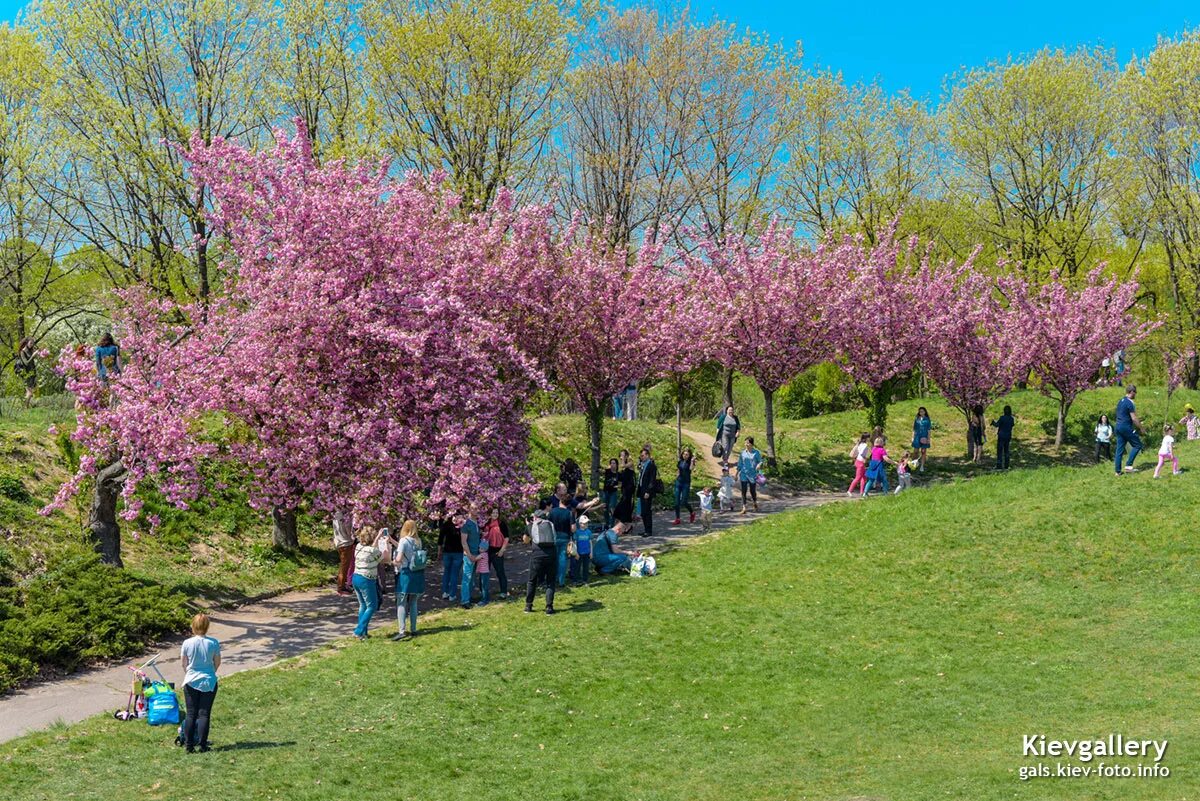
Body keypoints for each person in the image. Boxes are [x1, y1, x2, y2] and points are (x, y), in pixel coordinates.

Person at [180, 612, 221, 753]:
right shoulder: (213, 642)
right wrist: (210, 672)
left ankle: (189, 745)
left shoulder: (187, 643)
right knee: (204, 714)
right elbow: (217, 662)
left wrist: (190, 673)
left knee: (191, 714)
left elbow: (184, 663)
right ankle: (203, 745)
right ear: (207, 627)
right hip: (209, 681)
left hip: (191, 680)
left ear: (193, 626)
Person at [391, 520, 425, 640]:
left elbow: (399, 557)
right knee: (414, 602)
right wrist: (391, 540)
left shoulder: (403, 540)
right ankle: (414, 629)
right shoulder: (418, 541)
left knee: (401, 602)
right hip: (417, 573)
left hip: (405, 574)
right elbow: (405, 549)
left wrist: (392, 562)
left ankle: (401, 630)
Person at [352, 528, 384, 639]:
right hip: (367, 579)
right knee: (372, 606)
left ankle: (364, 634)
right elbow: (382, 558)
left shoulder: (358, 547)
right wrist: (386, 545)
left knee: (363, 605)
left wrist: (377, 538)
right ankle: (359, 630)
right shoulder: (373, 551)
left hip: (356, 577)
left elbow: (371, 550)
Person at [1114, 385, 1146, 475]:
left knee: (1119, 450)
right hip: (1126, 427)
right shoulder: (1129, 402)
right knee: (1137, 445)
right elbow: (1133, 418)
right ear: (1131, 392)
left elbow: (1122, 415)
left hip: (1118, 427)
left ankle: (1118, 471)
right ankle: (1128, 466)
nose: (1136, 394)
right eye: (1135, 392)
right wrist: (1141, 428)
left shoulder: (1120, 401)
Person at [550, 484, 575, 587]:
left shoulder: (552, 512)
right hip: (565, 537)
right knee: (563, 559)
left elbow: (549, 524)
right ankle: (561, 581)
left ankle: (553, 578)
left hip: (554, 537)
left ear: (560, 501)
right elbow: (573, 528)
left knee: (554, 559)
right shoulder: (569, 513)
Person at [482, 510, 509, 599]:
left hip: (497, 551)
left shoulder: (501, 524)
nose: (495, 515)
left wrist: (502, 550)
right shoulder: (486, 524)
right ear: (489, 514)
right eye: (493, 513)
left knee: (500, 572)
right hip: (486, 551)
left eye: (496, 513)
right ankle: (483, 593)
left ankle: (503, 592)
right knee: (484, 572)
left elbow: (506, 538)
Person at [459, 508, 483, 608]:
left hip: (476, 554)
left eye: (477, 508)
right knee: (466, 578)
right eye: (473, 508)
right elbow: (463, 541)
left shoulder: (476, 523)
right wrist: (469, 555)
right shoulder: (466, 524)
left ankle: (469, 597)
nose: (476, 510)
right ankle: (464, 601)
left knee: (472, 578)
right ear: (469, 510)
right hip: (469, 555)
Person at [437, 511, 463, 601]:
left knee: (447, 572)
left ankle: (445, 592)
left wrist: (439, 551)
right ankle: (452, 594)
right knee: (454, 574)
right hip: (458, 552)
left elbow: (440, 539)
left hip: (447, 552)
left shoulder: (446, 524)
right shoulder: (461, 525)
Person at [332, 509, 355, 595]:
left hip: (338, 542)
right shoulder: (345, 516)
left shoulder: (335, 515)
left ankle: (342, 585)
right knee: (344, 566)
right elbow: (349, 531)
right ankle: (341, 587)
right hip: (346, 542)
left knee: (344, 565)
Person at [737, 437, 763, 514]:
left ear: (751, 444)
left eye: (747, 443)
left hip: (753, 474)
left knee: (752, 491)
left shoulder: (756, 452)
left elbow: (760, 461)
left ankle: (755, 503)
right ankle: (744, 507)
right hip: (744, 474)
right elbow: (740, 464)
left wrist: (759, 465)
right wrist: (736, 474)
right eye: (745, 443)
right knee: (743, 491)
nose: (746, 444)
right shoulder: (742, 453)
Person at [637, 446, 658, 536]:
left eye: (643, 455)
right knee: (643, 512)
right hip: (641, 490)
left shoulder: (651, 465)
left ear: (648, 456)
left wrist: (648, 492)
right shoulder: (643, 465)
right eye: (641, 456)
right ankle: (645, 529)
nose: (642, 457)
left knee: (646, 511)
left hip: (647, 491)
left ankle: (649, 530)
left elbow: (652, 480)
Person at [673, 448, 696, 525]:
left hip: (686, 483)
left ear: (689, 456)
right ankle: (677, 518)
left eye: (686, 454)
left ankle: (692, 512)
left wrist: (692, 461)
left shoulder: (690, 462)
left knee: (684, 502)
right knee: (676, 502)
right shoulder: (680, 461)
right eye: (684, 454)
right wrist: (676, 476)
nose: (685, 456)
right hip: (678, 482)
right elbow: (678, 469)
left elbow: (691, 469)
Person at [569, 513, 593, 584]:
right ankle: (576, 580)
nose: (586, 525)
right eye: (584, 523)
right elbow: (575, 543)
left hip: (587, 552)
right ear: (580, 524)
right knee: (577, 567)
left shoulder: (588, 532)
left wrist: (591, 552)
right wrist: (576, 553)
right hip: (579, 553)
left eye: (587, 523)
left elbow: (590, 542)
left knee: (586, 568)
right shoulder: (577, 532)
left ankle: (585, 580)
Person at [615, 450, 637, 525]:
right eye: (620, 455)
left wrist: (623, 459)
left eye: (623, 455)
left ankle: (627, 523)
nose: (621, 457)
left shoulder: (630, 463)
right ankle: (624, 522)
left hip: (629, 487)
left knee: (625, 504)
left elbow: (623, 466)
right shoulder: (623, 465)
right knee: (623, 504)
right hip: (624, 487)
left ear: (627, 456)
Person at [991, 405, 1015, 470]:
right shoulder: (1011, 418)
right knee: (1006, 451)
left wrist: (993, 422)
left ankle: (999, 465)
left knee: (1000, 451)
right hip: (1008, 436)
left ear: (1004, 411)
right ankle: (1006, 465)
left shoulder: (1002, 418)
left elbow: (997, 425)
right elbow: (1012, 425)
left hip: (1001, 436)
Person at [601, 458, 620, 528]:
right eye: (611, 463)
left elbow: (622, 483)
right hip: (606, 491)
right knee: (605, 508)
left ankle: (612, 524)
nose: (612, 465)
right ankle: (606, 523)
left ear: (617, 465)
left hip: (613, 492)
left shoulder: (618, 474)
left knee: (612, 507)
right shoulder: (607, 471)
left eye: (614, 463)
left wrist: (618, 486)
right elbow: (599, 470)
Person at [911, 408, 932, 472]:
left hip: (924, 437)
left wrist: (928, 439)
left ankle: (922, 466)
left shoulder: (927, 420)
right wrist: (912, 437)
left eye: (922, 411)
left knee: (923, 451)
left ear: (925, 412)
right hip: (917, 437)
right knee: (915, 451)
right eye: (920, 411)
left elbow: (929, 430)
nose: (921, 412)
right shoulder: (917, 419)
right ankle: (913, 464)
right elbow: (914, 429)